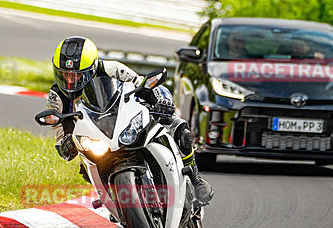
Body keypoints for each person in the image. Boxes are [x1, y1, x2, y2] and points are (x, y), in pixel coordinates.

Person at [46, 36, 214, 205]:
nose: (70, 80)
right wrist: (66, 144)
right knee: (86, 170)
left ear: (92, 68)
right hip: (95, 139)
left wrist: (159, 102)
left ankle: (195, 177)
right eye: (65, 74)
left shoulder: (112, 69)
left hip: (124, 122)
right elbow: (60, 133)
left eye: (77, 75)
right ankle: (117, 204)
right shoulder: (56, 97)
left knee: (178, 128)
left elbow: (141, 85)